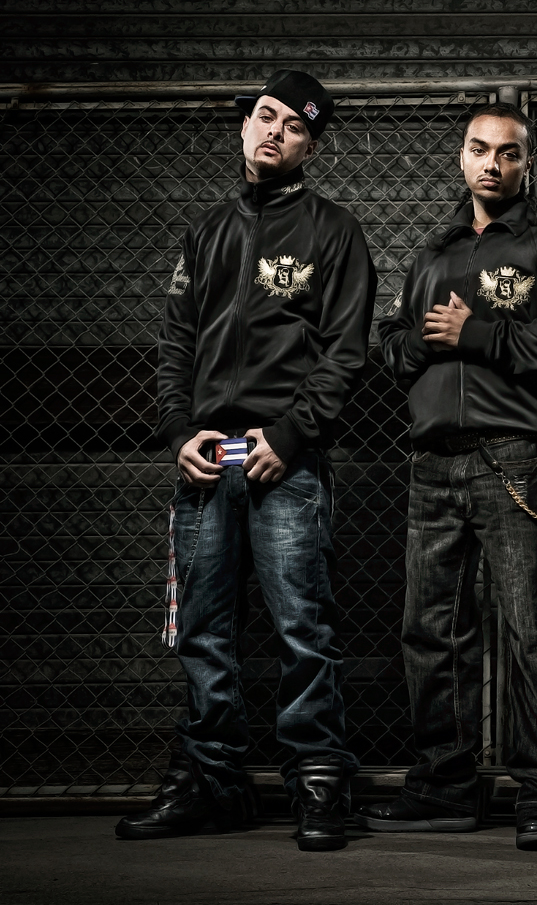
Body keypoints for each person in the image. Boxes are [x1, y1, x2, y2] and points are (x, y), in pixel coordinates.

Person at [115, 70, 377, 852]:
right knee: (203, 631)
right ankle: (211, 782)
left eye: (294, 126)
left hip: (283, 463)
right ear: (244, 125)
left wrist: (289, 437)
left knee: (302, 625)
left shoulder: (335, 231)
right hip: (205, 461)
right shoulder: (206, 232)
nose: (274, 132)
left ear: (310, 147)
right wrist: (178, 433)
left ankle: (320, 779)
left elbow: (344, 352)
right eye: (265, 116)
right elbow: (176, 344)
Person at [357, 103, 537, 850]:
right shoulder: (433, 252)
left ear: (527, 164)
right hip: (433, 463)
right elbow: (391, 342)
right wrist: (426, 344)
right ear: (461, 158)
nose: (493, 162)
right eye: (479, 149)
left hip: (516, 458)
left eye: (509, 152)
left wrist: (477, 334)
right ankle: (444, 785)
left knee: (530, 631)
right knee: (429, 630)